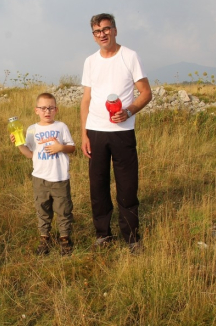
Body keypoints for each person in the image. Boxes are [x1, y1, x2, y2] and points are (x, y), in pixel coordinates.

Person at [80, 13, 152, 253]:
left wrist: (129, 111)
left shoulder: (129, 56)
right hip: (96, 131)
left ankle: (131, 238)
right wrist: (84, 134)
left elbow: (145, 93)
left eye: (106, 29)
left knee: (127, 185)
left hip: (122, 132)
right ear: (93, 35)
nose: (102, 34)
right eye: (97, 31)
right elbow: (86, 100)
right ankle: (103, 235)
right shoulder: (90, 61)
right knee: (97, 185)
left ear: (115, 30)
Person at [10, 92, 76, 256]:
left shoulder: (61, 127)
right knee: (42, 210)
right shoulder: (32, 129)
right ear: (36, 110)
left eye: (51, 108)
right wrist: (18, 144)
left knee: (63, 210)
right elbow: (30, 153)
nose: (47, 111)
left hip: (59, 178)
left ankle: (65, 239)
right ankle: (44, 238)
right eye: (43, 108)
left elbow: (72, 148)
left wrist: (60, 147)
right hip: (40, 178)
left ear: (56, 109)